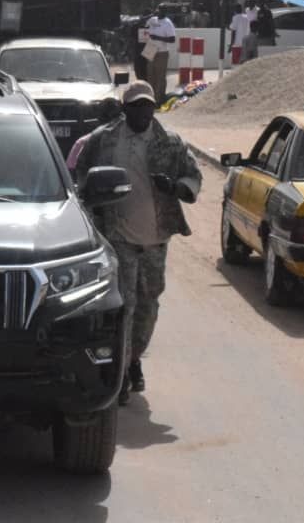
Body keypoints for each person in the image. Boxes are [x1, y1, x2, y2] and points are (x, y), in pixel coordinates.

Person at [75, 80, 201, 406]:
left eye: (148, 106)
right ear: (125, 109)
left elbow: (192, 177)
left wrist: (175, 187)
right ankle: (123, 369)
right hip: (117, 236)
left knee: (148, 304)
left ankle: (134, 357)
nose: (143, 112)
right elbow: (80, 177)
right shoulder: (103, 141)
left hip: (156, 238)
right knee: (125, 305)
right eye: (136, 106)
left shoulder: (169, 143)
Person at [144, 5, 175, 104]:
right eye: (158, 9)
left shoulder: (168, 23)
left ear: (165, 12)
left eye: (161, 10)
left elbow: (172, 39)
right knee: (150, 74)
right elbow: (145, 28)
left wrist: (157, 37)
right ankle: (150, 98)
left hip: (162, 52)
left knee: (160, 76)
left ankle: (159, 100)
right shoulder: (152, 19)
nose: (159, 11)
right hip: (150, 49)